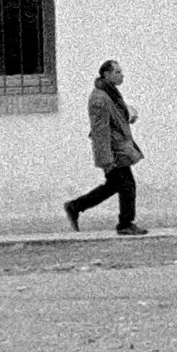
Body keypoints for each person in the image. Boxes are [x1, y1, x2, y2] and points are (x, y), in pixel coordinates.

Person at [63, 59, 145, 235]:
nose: (121, 75)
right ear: (106, 74)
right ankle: (125, 224)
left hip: (119, 147)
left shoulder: (110, 94)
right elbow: (100, 132)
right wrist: (107, 161)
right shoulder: (99, 98)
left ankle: (75, 206)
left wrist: (128, 115)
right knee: (127, 185)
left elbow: (115, 117)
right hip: (114, 151)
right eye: (117, 72)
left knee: (116, 185)